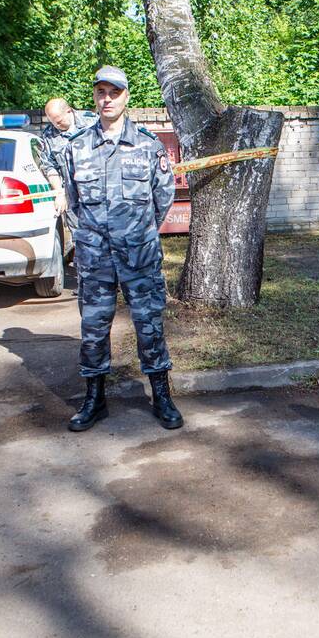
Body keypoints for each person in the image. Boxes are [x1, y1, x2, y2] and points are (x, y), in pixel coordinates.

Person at [64, 65, 183, 432]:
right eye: (101, 92)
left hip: (139, 256)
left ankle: (161, 395)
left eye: (113, 93)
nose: (107, 99)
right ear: (95, 97)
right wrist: (92, 236)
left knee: (149, 324)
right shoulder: (77, 147)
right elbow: (72, 201)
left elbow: (162, 198)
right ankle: (94, 399)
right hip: (95, 256)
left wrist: (137, 231)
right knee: (94, 327)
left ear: (126, 96)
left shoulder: (148, 146)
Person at [40, 97, 97, 218]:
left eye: (59, 121)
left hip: (99, 196)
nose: (56, 125)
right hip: (73, 201)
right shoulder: (49, 135)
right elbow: (49, 166)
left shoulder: (93, 122)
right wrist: (59, 193)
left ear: (69, 111)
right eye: (53, 122)